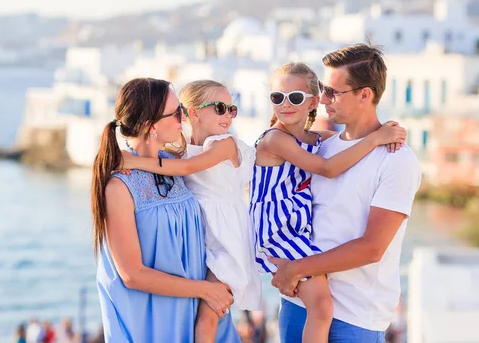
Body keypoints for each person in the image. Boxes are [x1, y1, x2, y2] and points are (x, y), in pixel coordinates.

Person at [269, 44, 421, 343]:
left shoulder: (397, 159)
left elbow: (372, 248)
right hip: (299, 303)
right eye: (323, 89)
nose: (323, 99)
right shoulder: (320, 148)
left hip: (355, 316)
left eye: (333, 92)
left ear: (365, 95)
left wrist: (296, 269)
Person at [92, 78, 239, 342]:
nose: (183, 117)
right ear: (151, 127)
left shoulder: (179, 165)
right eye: (176, 113)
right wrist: (205, 290)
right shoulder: (119, 187)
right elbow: (132, 275)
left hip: (202, 311)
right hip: (155, 321)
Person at [120, 79, 262, 342]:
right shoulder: (181, 149)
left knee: (207, 319)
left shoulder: (224, 145)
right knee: (202, 312)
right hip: (205, 240)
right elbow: (171, 165)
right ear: (193, 113)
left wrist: (134, 161)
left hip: (226, 240)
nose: (228, 115)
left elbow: (186, 169)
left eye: (232, 109)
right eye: (221, 108)